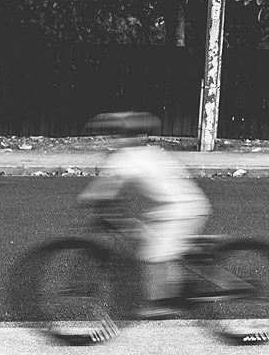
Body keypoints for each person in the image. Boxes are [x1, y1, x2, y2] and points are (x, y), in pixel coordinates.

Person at [78, 112, 211, 318]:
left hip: (181, 209)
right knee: (152, 235)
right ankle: (186, 267)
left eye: (116, 136)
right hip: (183, 204)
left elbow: (106, 188)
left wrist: (86, 199)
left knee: (153, 253)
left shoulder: (127, 157)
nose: (113, 141)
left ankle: (163, 304)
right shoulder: (148, 152)